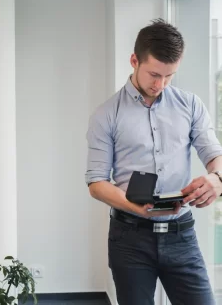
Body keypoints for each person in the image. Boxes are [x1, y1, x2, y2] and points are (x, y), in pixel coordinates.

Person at [85, 19, 222, 305]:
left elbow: (213, 154)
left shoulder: (191, 105)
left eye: (169, 76)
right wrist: (135, 207)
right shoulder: (106, 114)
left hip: (182, 235)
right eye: (154, 74)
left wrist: (216, 179)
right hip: (130, 239)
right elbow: (97, 182)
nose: (160, 84)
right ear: (134, 60)